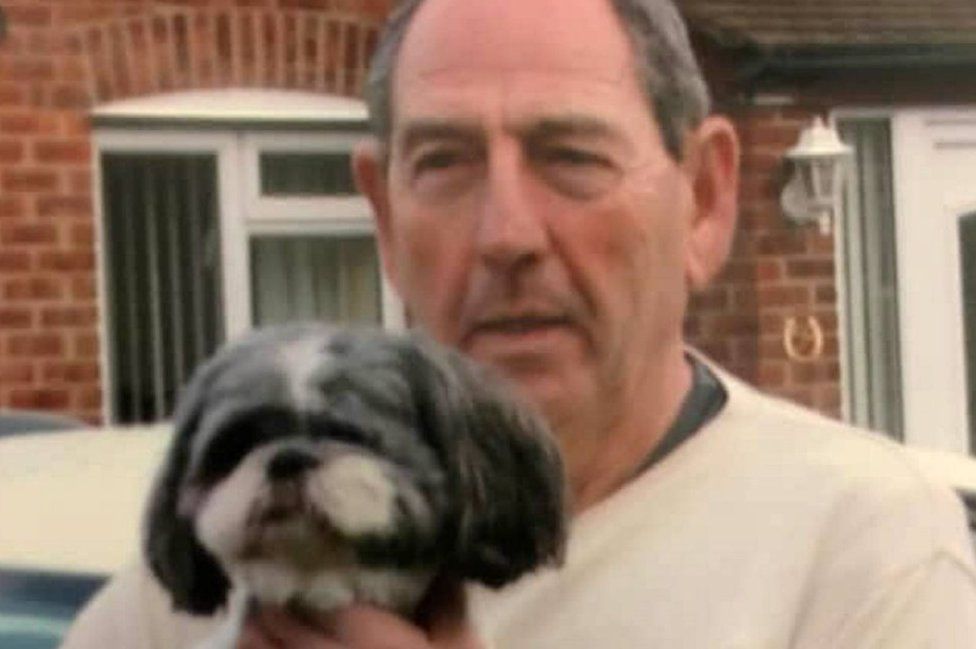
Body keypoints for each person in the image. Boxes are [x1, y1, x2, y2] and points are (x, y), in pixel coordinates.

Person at [64, 0, 976, 647]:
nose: (506, 234)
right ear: (382, 214)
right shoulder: (205, 567)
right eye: (446, 163)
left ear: (703, 200)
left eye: (571, 157)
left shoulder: (865, 552)